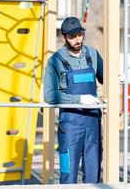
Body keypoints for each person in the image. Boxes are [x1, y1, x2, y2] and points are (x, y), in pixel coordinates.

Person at [43, 17, 103, 184]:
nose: (78, 40)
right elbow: (49, 95)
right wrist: (80, 99)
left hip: (93, 122)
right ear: (63, 38)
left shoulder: (93, 54)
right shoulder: (55, 60)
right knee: (68, 174)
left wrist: (117, 76)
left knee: (94, 175)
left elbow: (106, 78)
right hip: (70, 125)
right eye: (72, 37)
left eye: (79, 35)